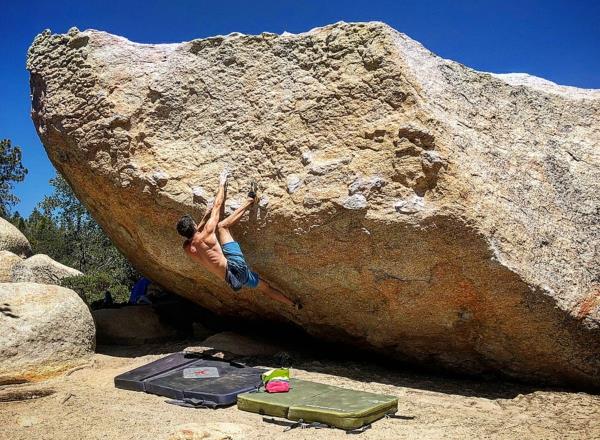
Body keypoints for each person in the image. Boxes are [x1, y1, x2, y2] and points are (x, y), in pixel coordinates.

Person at [176, 170, 299, 309]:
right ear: (194, 225)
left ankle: (293, 304)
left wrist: (204, 217)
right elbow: (217, 205)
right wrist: (222, 183)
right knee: (222, 226)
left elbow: (194, 237)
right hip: (235, 265)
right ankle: (250, 200)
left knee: (265, 288)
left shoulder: (187, 249)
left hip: (233, 279)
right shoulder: (208, 231)